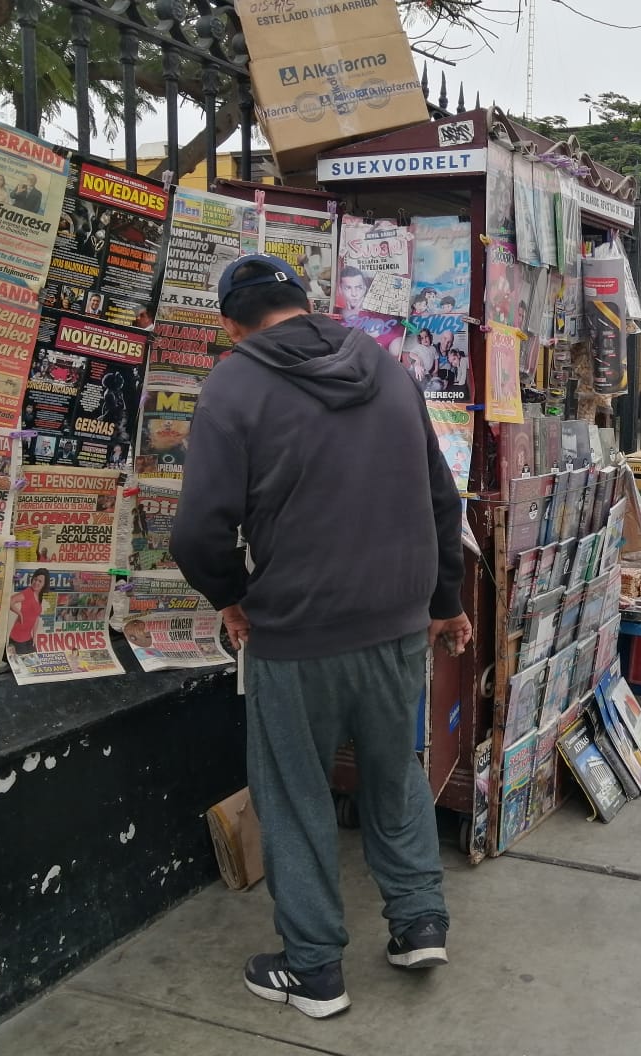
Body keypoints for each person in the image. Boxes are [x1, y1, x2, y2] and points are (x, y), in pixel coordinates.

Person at [170, 255, 469, 1019]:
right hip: (398, 620)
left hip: (298, 629)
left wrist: (233, 599)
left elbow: (199, 532)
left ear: (231, 325)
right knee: (393, 770)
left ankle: (313, 970)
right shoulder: (385, 365)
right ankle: (418, 920)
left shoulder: (233, 384)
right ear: (308, 305)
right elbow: (442, 498)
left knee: (294, 794)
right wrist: (444, 601)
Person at [8, 569, 49, 655]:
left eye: (40, 581)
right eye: (35, 579)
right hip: (18, 636)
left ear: (44, 584)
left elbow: (36, 617)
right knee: (20, 663)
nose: (36, 582)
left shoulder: (39, 596)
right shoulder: (28, 592)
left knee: (34, 661)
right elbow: (10, 600)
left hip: (28, 637)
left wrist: (34, 636)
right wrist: (19, 613)